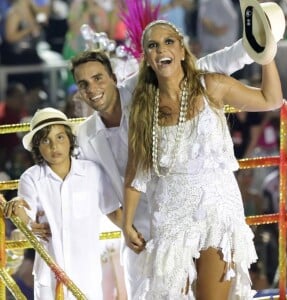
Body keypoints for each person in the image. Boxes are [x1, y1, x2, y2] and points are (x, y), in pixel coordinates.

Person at [70, 35, 255, 298]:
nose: (92, 88)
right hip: (140, 234)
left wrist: (251, 48)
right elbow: (104, 194)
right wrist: (127, 227)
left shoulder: (142, 88)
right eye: (83, 84)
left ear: (113, 77)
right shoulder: (86, 134)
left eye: (98, 78)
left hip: (182, 214)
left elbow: (207, 65)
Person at [122, 19, 283, 300]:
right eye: (153, 45)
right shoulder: (142, 107)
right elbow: (136, 171)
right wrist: (126, 224)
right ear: (147, 58)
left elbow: (271, 99)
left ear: (182, 50)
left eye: (169, 41)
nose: (162, 49)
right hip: (171, 216)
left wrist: (267, 55)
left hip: (217, 211)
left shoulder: (212, 85)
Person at [1, 107, 121, 300]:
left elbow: (112, 210)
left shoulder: (92, 172)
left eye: (60, 137)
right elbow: (27, 217)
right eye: (45, 140)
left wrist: (134, 231)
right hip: (50, 275)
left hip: (86, 274)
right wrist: (18, 209)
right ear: (37, 146)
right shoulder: (31, 178)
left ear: (70, 139)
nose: (54, 146)